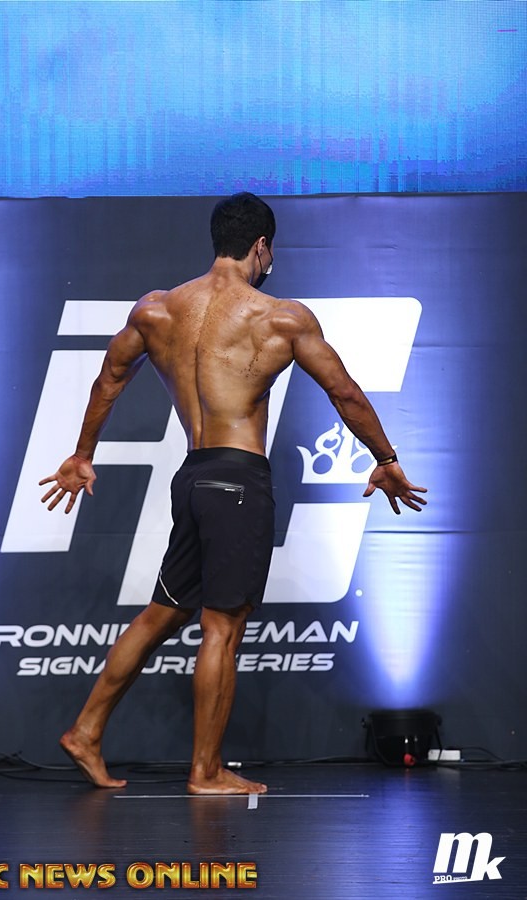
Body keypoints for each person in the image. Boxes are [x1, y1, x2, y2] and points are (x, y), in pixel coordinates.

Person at [40, 192, 427, 794]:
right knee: (221, 627)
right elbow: (345, 393)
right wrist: (386, 459)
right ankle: (206, 770)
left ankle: (85, 731)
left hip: (193, 477)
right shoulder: (280, 317)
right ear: (261, 247)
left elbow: (109, 378)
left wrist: (82, 453)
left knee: (164, 612)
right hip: (239, 484)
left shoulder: (157, 309)